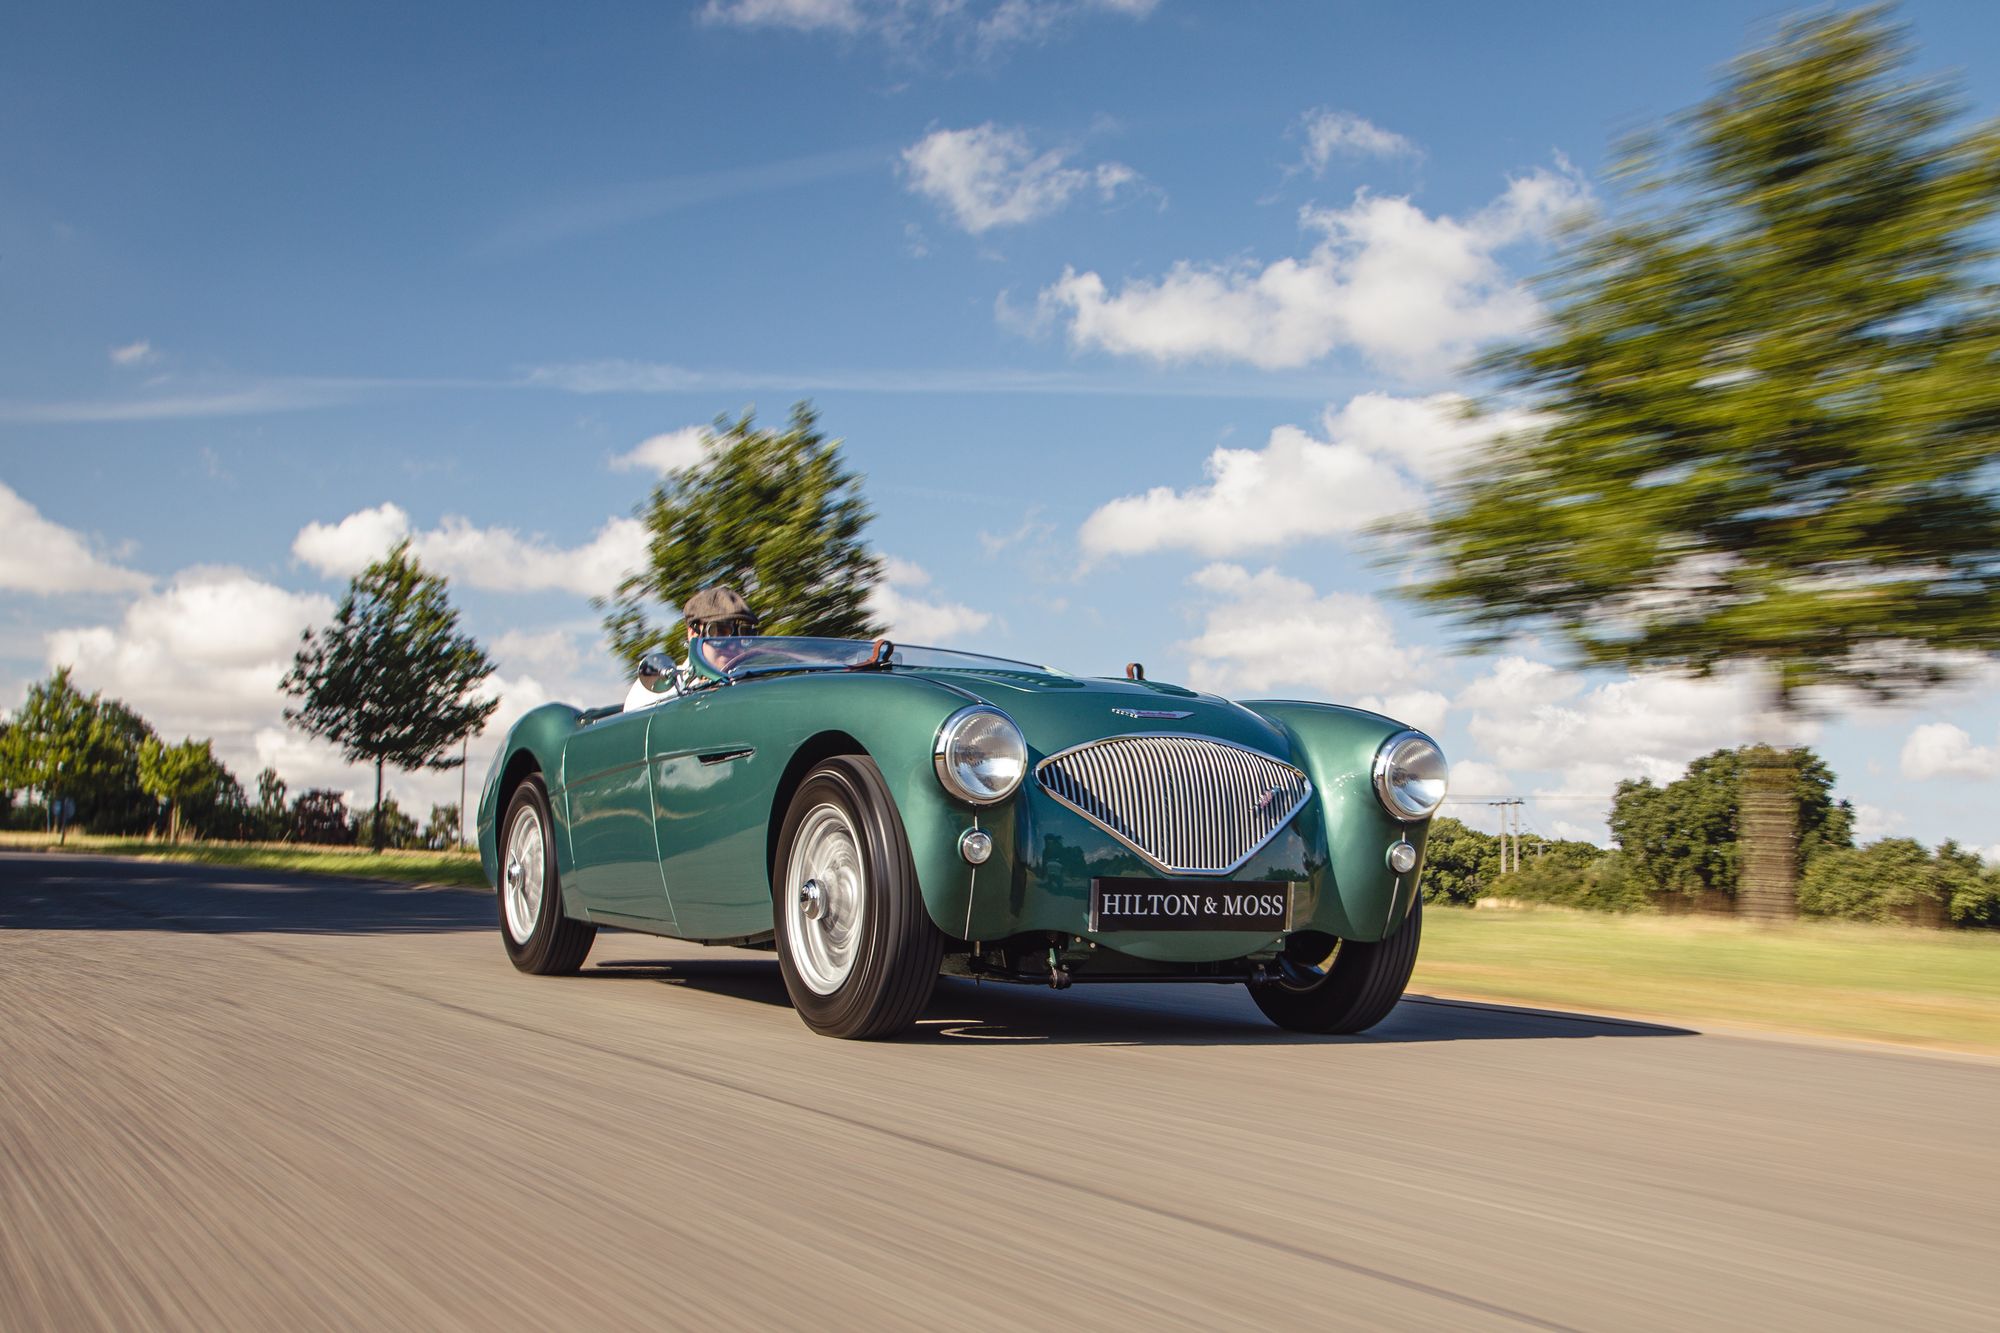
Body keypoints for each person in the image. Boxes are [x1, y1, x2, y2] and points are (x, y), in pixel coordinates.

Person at [622, 585, 759, 712]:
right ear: (693, 633)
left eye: (744, 633)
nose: (733, 643)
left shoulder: (756, 685)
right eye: (719, 631)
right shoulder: (657, 690)